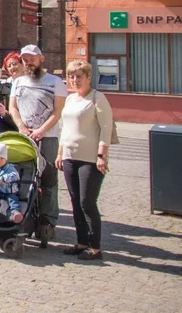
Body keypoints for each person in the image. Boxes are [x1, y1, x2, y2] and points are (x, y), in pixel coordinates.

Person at [57, 60, 114, 261]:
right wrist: (60, 153)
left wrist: (101, 155)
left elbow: (106, 128)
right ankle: (82, 242)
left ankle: (95, 247)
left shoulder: (98, 98)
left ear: (88, 77)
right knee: (74, 202)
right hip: (70, 156)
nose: (75, 80)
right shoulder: (71, 99)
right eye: (71, 77)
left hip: (90, 158)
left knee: (87, 202)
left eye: (79, 76)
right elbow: (65, 128)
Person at [9, 44, 66, 235]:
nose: (28, 62)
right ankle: (25, 216)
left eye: (32, 58)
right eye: (25, 59)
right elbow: (13, 108)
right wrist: (22, 128)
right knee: (23, 177)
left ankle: (47, 220)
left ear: (41, 59)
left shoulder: (55, 82)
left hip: (47, 137)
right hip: (24, 137)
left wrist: (42, 130)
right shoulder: (18, 82)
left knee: (48, 179)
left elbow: (58, 111)